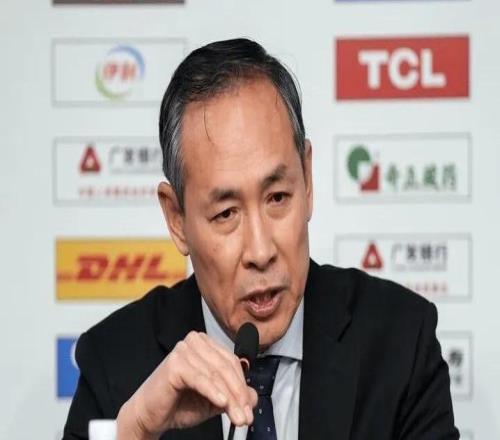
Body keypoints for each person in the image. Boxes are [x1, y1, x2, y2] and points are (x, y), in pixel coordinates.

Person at [63, 38, 459, 440]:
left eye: (277, 198)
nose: (261, 251)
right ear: (177, 219)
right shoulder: (115, 364)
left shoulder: (400, 341)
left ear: (307, 178)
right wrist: (136, 430)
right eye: (226, 213)